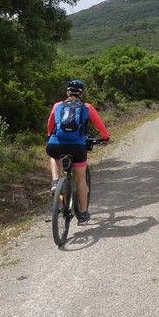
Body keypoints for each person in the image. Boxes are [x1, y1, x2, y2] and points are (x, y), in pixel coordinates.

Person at [46, 79, 109, 224]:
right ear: (81, 93)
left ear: (67, 92)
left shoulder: (57, 106)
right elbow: (99, 125)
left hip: (56, 143)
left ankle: (55, 182)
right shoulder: (86, 107)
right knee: (80, 179)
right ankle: (82, 214)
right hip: (77, 146)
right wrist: (105, 138)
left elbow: (50, 125)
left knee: (54, 156)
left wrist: (51, 137)